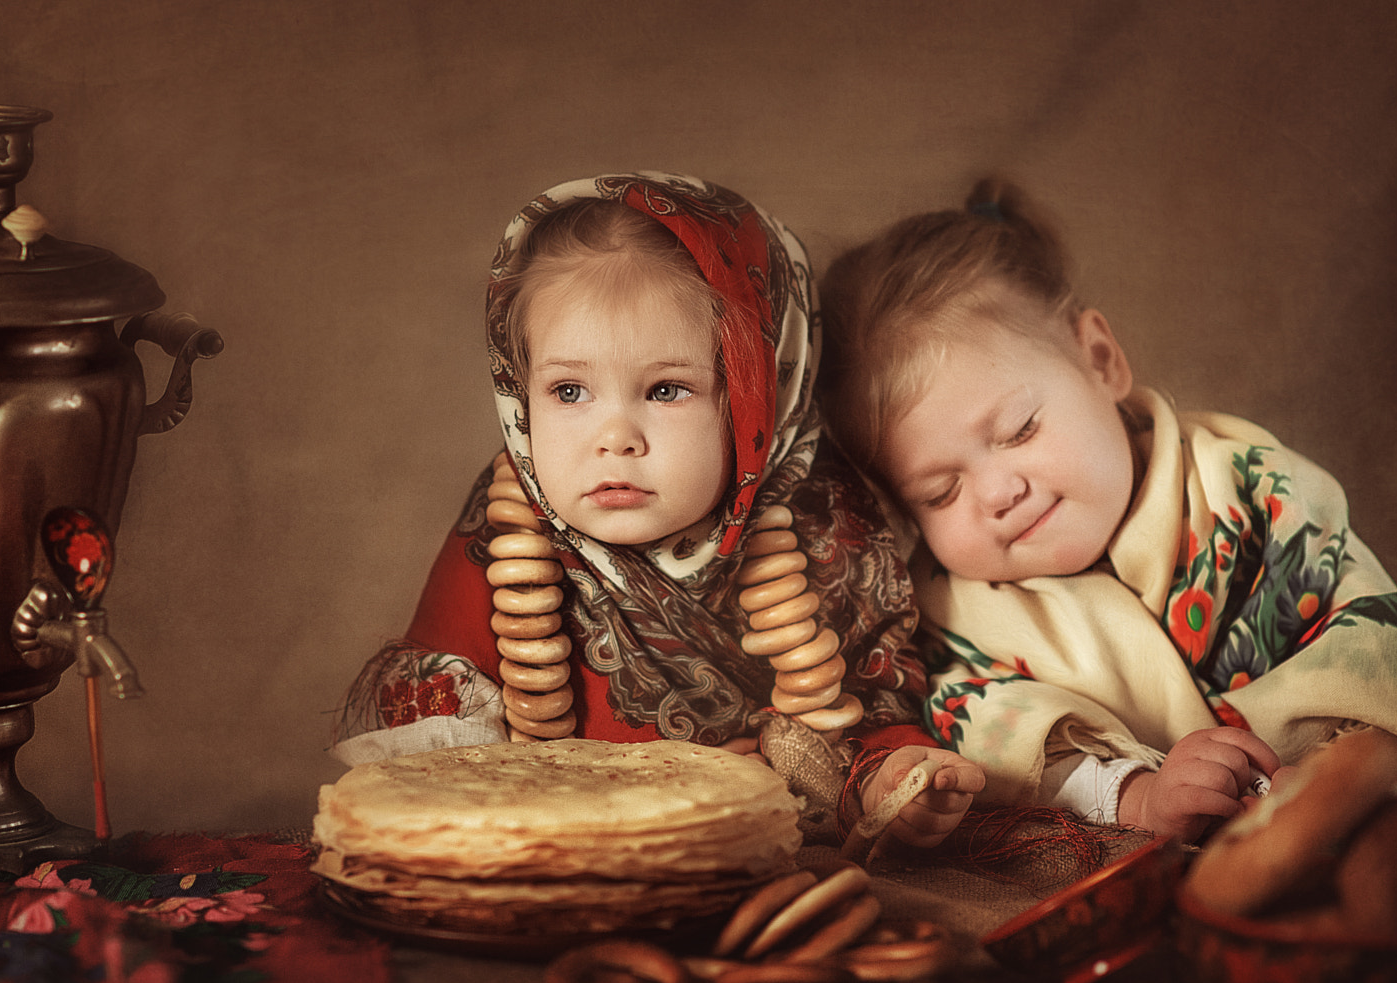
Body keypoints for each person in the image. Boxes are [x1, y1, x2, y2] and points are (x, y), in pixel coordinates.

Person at [817, 180, 1397, 843]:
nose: (998, 492)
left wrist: (1339, 769)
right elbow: (1007, 754)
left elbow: (1374, 651)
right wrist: (1138, 794)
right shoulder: (952, 618)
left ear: (1101, 361)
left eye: (1020, 430)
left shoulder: (1254, 493)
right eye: (940, 492)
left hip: (1356, 791)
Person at [335, 173, 982, 846]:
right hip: (556, 870)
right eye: (569, 390)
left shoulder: (822, 528)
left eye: (666, 388)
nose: (614, 436)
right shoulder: (505, 535)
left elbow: (872, 714)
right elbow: (440, 764)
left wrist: (896, 780)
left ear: (760, 398)